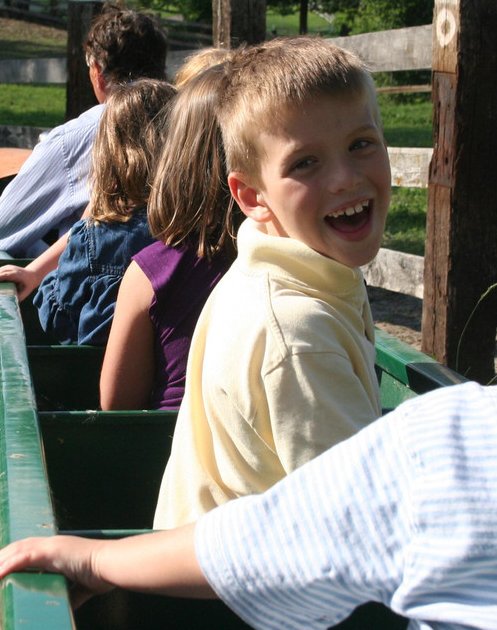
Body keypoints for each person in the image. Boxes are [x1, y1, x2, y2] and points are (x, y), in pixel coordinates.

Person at [0, 76, 497, 630]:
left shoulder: (448, 439)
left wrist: (96, 558)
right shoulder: (298, 327)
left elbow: (272, 538)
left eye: (362, 145)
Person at [150, 37, 388, 528]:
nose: (345, 178)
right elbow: (360, 526)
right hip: (241, 600)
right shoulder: (297, 335)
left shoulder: (287, 274)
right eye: (305, 162)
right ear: (252, 196)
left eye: (361, 145)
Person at [0, 79, 178, 346]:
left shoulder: (96, 238)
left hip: (97, 375)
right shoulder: (190, 226)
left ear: (110, 152)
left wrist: (44, 280)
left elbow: (58, 316)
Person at [100, 63, 240, 410]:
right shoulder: (293, 256)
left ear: (175, 158)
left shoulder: (150, 272)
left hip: (172, 453)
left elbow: (116, 404)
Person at [0, 4, 169, 257]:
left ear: (98, 72)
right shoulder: (195, 124)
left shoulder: (75, 139)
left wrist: (45, 260)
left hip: (100, 292)